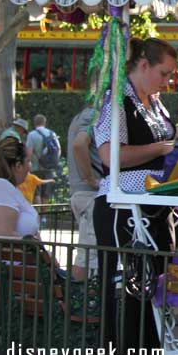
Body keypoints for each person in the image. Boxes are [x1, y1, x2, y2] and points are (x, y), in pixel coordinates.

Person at [92, 38, 178, 355]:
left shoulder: (156, 105)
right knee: (128, 298)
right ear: (143, 64)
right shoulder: (117, 102)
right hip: (123, 211)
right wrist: (163, 149)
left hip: (154, 210)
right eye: (164, 73)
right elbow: (111, 156)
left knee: (152, 297)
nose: (167, 81)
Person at [67, 106, 103, 280]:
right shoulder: (93, 114)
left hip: (84, 193)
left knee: (89, 256)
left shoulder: (82, 114)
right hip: (90, 194)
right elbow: (79, 144)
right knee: (88, 258)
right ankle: (76, 304)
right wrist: (89, 178)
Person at [26, 114, 60, 204]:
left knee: (37, 193)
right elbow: (58, 149)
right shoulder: (52, 134)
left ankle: (38, 216)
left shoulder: (31, 135)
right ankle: (45, 217)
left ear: (34, 123)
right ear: (45, 123)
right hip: (49, 168)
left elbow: (29, 152)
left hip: (35, 168)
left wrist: (27, 165)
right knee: (46, 193)